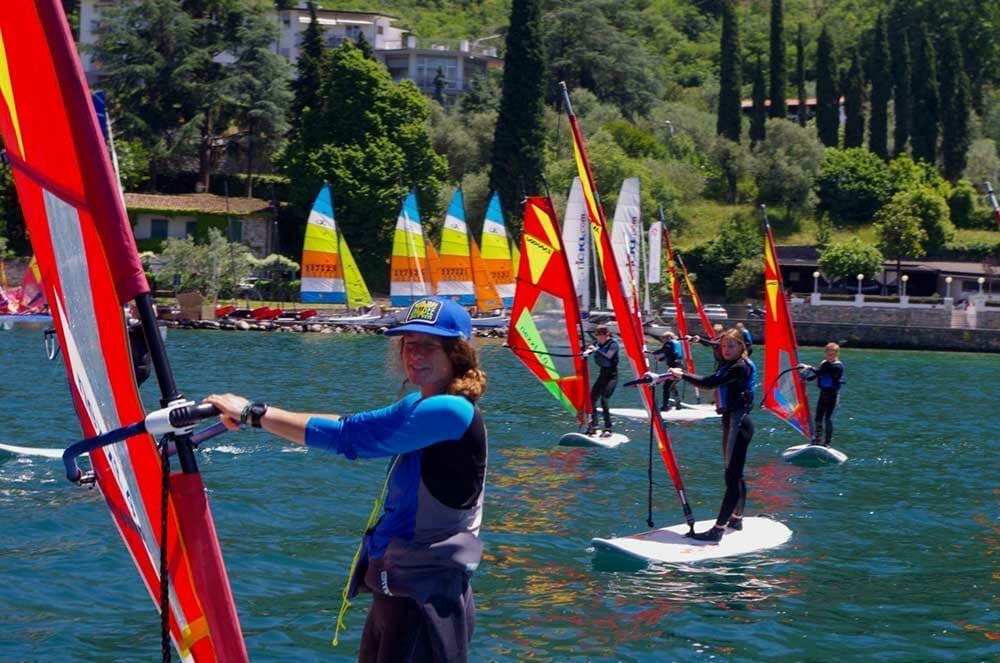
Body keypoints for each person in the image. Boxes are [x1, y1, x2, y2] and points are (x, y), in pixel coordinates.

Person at [204, 296, 488, 662]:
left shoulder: (450, 411)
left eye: (429, 346)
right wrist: (255, 419)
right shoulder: (420, 403)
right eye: (409, 344)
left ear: (457, 354)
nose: (415, 354)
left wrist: (254, 414)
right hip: (398, 590)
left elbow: (350, 437)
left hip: (425, 600)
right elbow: (347, 420)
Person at [667, 328, 755, 542]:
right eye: (723, 346)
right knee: (734, 474)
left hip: (739, 423)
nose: (725, 349)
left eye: (731, 346)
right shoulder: (728, 362)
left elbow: (708, 383)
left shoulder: (739, 367)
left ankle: (718, 529)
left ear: (742, 347)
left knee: (732, 478)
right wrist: (700, 340)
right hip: (732, 421)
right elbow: (714, 346)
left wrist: (682, 374)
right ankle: (737, 517)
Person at [800, 342, 845, 447]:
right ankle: (818, 439)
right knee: (818, 418)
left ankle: (827, 442)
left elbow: (822, 372)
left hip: (833, 395)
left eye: (832, 355)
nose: (830, 357)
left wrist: (809, 367)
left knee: (828, 419)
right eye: (828, 354)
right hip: (823, 394)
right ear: (825, 353)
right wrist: (805, 379)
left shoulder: (837, 366)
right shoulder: (824, 363)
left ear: (837, 354)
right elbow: (818, 374)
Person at [586, 324, 619, 437]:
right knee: (591, 399)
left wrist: (596, 350)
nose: (599, 337)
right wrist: (586, 352)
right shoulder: (597, 344)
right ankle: (594, 425)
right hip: (602, 376)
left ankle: (608, 428)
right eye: (597, 335)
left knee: (604, 399)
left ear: (607, 334)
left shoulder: (613, 344)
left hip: (612, 377)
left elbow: (608, 357)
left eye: (601, 335)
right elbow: (590, 351)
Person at [651, 331, 684, 410]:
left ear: (668, 337)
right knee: (671, 386)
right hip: (680, 368)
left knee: (666, 387)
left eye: (663, 338)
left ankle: (665, 406)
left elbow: (663, 350)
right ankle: (678, 404)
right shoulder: (676, 344)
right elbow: (670, 354)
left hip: (674, 369)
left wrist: (653, 353)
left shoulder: (668, 344)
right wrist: (660, 359)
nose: (663, 340)